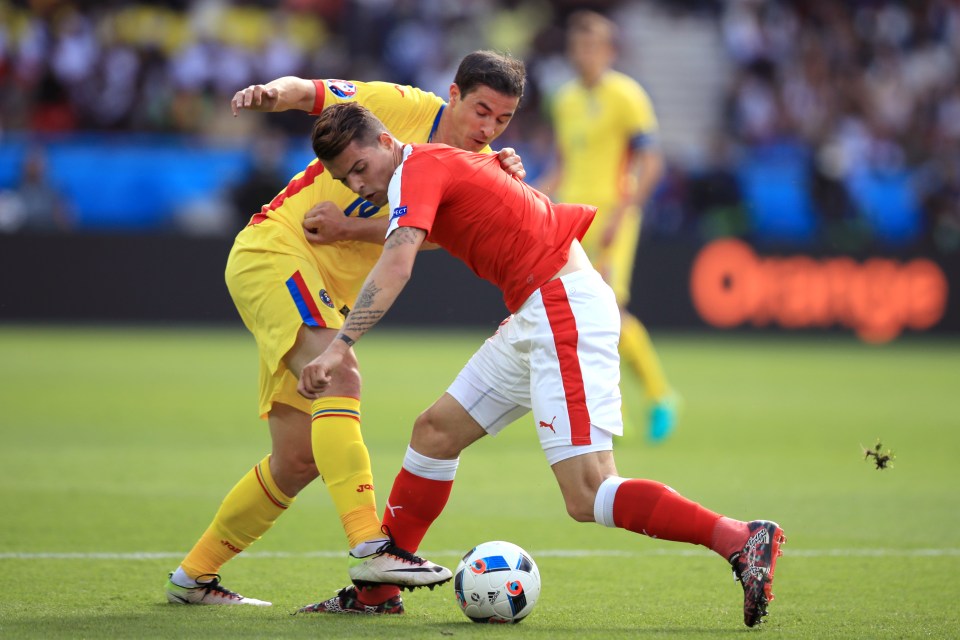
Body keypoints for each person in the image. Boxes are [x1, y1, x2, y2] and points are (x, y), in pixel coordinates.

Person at [297, 102, 787, 628]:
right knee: (434, 432)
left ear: (386, 142)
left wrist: (338, 345)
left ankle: (739, 538)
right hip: (539, 310)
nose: (356, 184)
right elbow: (433, 232)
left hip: (561, 306)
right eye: (344, 178)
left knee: (587, 492)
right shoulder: (428, 168)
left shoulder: (417, 168)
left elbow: (400, 261)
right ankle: (378, 593)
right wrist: (351, 227)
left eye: (358, 168)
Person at [164, 51, 528, 613]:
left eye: (502, 121)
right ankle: (370, 545)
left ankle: (193, 577)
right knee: (341, 373)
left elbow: (432, 233)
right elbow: (314, 92)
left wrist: (352, 227)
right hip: (277, 251)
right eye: (481, 111)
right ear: (453, 96)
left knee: (298, 460)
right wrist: (268, 91)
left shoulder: (475, 166)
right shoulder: (402, 109)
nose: (487, 129)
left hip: (325, 289)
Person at [539, 10, 677, 442]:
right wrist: (532, 196)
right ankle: (609, 408)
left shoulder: (627, 96)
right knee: (576, 315)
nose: (584, 55)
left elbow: (651, 162)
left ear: (609, 51)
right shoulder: (564, 99)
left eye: (592, 46)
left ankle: (660, 396)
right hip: (572, 218)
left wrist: (626, 211)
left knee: (609, 313)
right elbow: (563, 164)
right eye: (577, 47)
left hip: (614, 217)